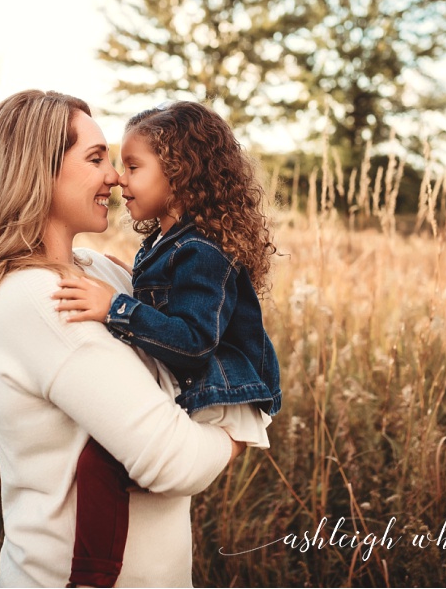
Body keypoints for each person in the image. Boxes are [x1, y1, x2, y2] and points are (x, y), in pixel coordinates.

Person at [0, 90, 242, 587]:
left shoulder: (98, 274)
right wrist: (240, 430)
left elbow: (191, 346)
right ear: (37, 171)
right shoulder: (40, 299)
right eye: (96, 158)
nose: (116, 176)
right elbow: (176, 461)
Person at [49, 100, 282, 586]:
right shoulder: (167, 242)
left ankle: (91, 576)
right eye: (114, 163)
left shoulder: (200, 251)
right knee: (104, 461)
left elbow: (194, 340)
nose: (119, 179)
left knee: (103, 462)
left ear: (180, 174)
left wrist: (116, 307)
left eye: (133, 166)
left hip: (220, 388)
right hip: (199, 378)